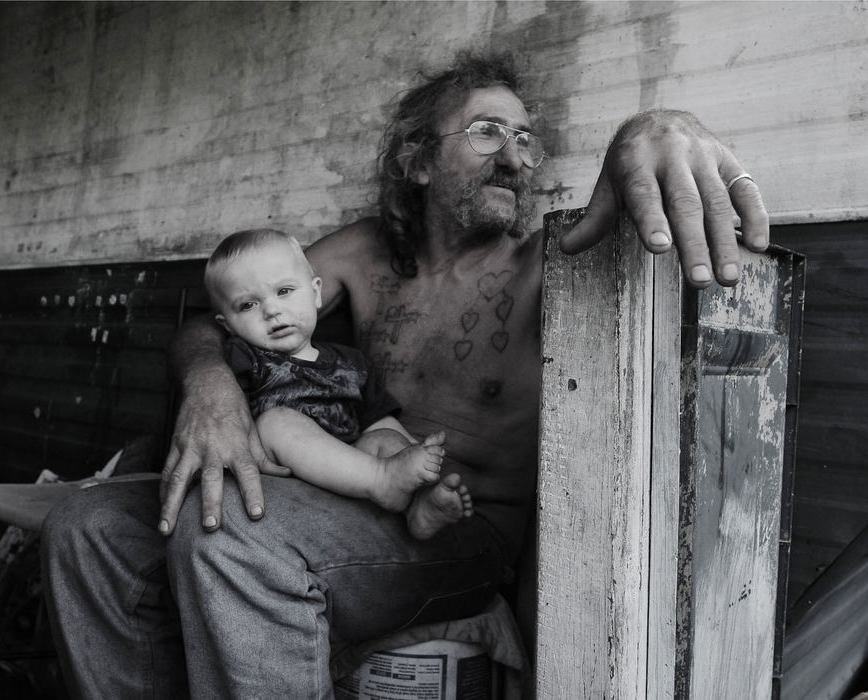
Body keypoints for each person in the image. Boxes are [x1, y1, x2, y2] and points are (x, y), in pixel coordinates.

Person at [42, 50, 767, 699]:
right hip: (345, 504)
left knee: (234, 524)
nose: (514, 156)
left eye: (523, 138)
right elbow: (217, 319)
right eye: (486, 132)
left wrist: (658, 125)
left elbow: (650, 225)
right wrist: (210, 384)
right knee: (87, 525)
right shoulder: (361, 257)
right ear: (417, 161)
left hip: (458, 535)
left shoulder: (549, 264)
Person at [203, 227, 471, 539]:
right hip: (281, 480)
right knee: (274, 423)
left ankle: (419, 507)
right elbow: (220, 416)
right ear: (227, 324)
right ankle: (381, 479)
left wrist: (418, 457)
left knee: (383, 436)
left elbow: (378, 422)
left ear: (315, 292)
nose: (272, 310)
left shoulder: (353, 364)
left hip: (349, 478)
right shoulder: (242, 356)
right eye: (248, 305)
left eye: (284, 291)